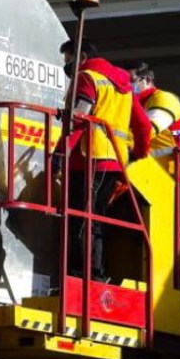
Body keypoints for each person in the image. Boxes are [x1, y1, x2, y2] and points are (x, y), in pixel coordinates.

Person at [57, 40, 151, 282]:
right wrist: (139, 154)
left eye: (69, 61)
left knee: (81, 218)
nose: (68, 67)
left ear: (82, 56)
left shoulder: (87, 77)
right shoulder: (123, 85)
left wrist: (59, 152)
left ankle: (83, 275)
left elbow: (79, 119)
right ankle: (94, 273)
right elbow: (143, 124)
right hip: (113, 161)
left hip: (89, 159)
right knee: (95, 218)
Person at [128, 62, 180, 214]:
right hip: (147, 178)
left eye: (131, 80)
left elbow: (148, 129)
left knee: (163, 226)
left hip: (173, 176)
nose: (128, 86)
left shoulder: (164, 99)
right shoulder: (134, 105)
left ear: (146, 80)